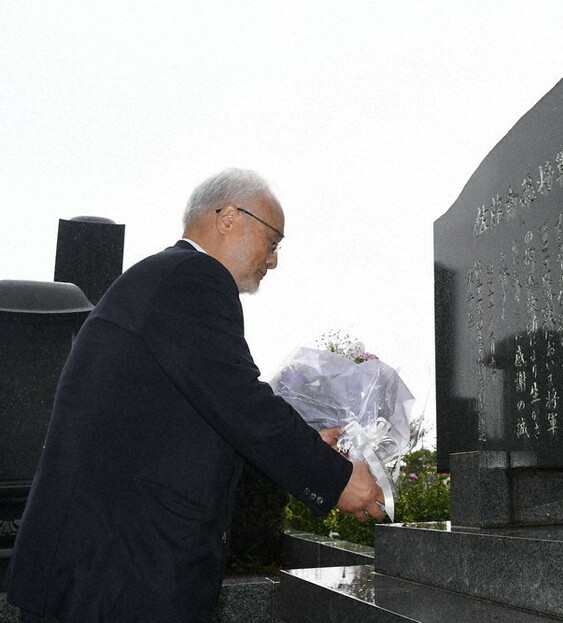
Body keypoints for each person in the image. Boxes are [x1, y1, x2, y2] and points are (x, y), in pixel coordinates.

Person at [5, 168, 385, 622]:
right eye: (273, 240)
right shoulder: (193, 277)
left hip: (99, 572)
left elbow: (186, 429)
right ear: (227, 217)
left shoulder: (164, 281)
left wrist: (304, 440)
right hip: (116, 578)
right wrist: (337, 479)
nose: (274, 260)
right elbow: (241, 402)